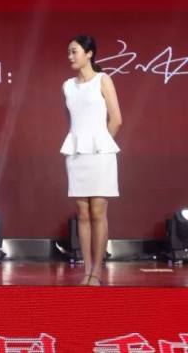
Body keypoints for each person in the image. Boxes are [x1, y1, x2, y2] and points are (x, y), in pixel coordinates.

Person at [60, 35, 122, 286]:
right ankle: (86, 270)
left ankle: (97, 270)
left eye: (74, 51)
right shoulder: (67, 86)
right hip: (77, 153)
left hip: (100, 154)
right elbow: (72, 120)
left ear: (89, 53)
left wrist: (102, 145)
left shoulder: (103, 79)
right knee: (82, 213)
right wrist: (81, 143)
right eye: (68, 52)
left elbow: (116, 119)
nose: (70, 56)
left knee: (98, 210)